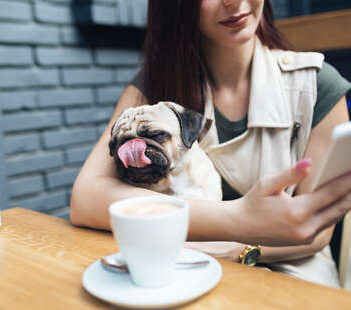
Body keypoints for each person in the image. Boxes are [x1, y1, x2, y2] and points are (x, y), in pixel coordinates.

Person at [70, 0, 351, 287]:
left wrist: (234, 248)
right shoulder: (153, 86)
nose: (233, 1)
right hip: (182, 265)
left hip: (292, 270)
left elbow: (317, 231)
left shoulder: (317, 85)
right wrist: (237, 217)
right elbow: (86, 199)